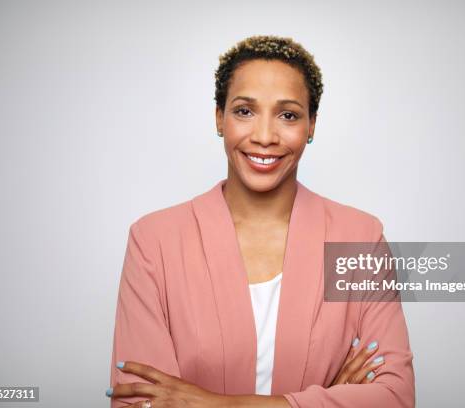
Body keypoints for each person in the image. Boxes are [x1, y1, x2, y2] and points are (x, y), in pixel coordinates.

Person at [107, 35, 415, 408]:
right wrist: (328, 398)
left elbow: (394, 398)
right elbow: (139, 402)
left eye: (288, 115)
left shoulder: (360, 238)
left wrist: (214, 403)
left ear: (312, 125)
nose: (265, 136)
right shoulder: (153, 241)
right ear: (219, 116)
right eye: (244, 111)